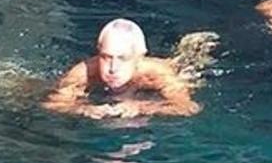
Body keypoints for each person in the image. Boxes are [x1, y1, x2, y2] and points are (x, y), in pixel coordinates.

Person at [43, 18, 210, 119]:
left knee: (188, 69)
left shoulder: (157, 74)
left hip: (165, 72)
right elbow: (52, 104)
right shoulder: (82, 74)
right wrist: (83, 109)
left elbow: (188, 107)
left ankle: (194, 45)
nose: (113, 68)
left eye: (123, 59)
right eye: (106, 57)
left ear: (139, 57)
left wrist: (142, 107)